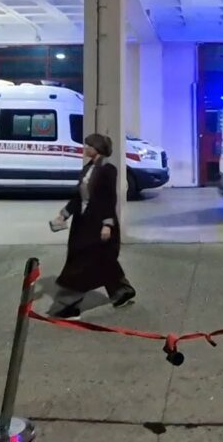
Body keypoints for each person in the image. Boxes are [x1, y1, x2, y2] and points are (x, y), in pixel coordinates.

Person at [48, 133, 136, 319]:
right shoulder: (87, 169)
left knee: (80, 264)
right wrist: (64, 215)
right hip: (82, 223)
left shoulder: (108, 170)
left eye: (89, 145)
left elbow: (108, 198)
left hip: (98, 224)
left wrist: (107, 224)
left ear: (98, 148)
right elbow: (78, 197)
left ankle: (70, 306)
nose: (85, 148)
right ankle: (122, 292)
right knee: (103, 261)